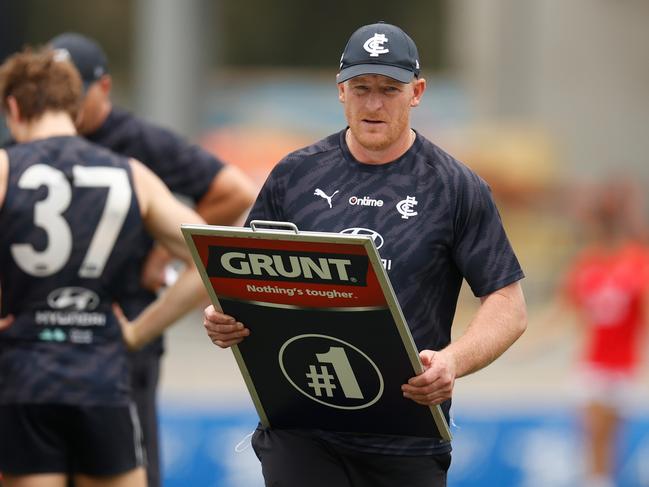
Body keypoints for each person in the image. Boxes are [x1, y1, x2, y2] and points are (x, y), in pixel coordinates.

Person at [203, 21, 528, 487]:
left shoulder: (455, 188)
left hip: (406, 431)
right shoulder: (295, 175)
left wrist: (453, 361)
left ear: (416, 92)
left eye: (389, 89)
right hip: (301, 423)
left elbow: (509, 306)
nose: (373, 103)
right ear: (340, 91)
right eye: (361, 88)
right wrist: (223, 314)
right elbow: (247, 276)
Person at [47, 32, 257, 487]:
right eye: (51, 94)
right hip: (45, 344)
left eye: (73, 94)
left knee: (131, 469)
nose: (62, 106)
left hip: (124, 335)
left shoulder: (136, 141)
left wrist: (166, 249)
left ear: (102, 88)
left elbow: (235, 193)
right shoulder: (30, 146)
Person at [0, 48, 206, 487]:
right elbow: (215, 261)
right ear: (75, 109)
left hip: (22, 379)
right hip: (102, 378)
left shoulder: (4, 167)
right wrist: (138, 330)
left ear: (14, 108)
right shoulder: (131, 174)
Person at [558, 180, 649, 487]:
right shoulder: (587, 265)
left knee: (608, 443)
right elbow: (566, 313)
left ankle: (600, 479)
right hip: (594, 364)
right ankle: (597, 481)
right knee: (595, 439)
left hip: (622, 365)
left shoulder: (638, 263)